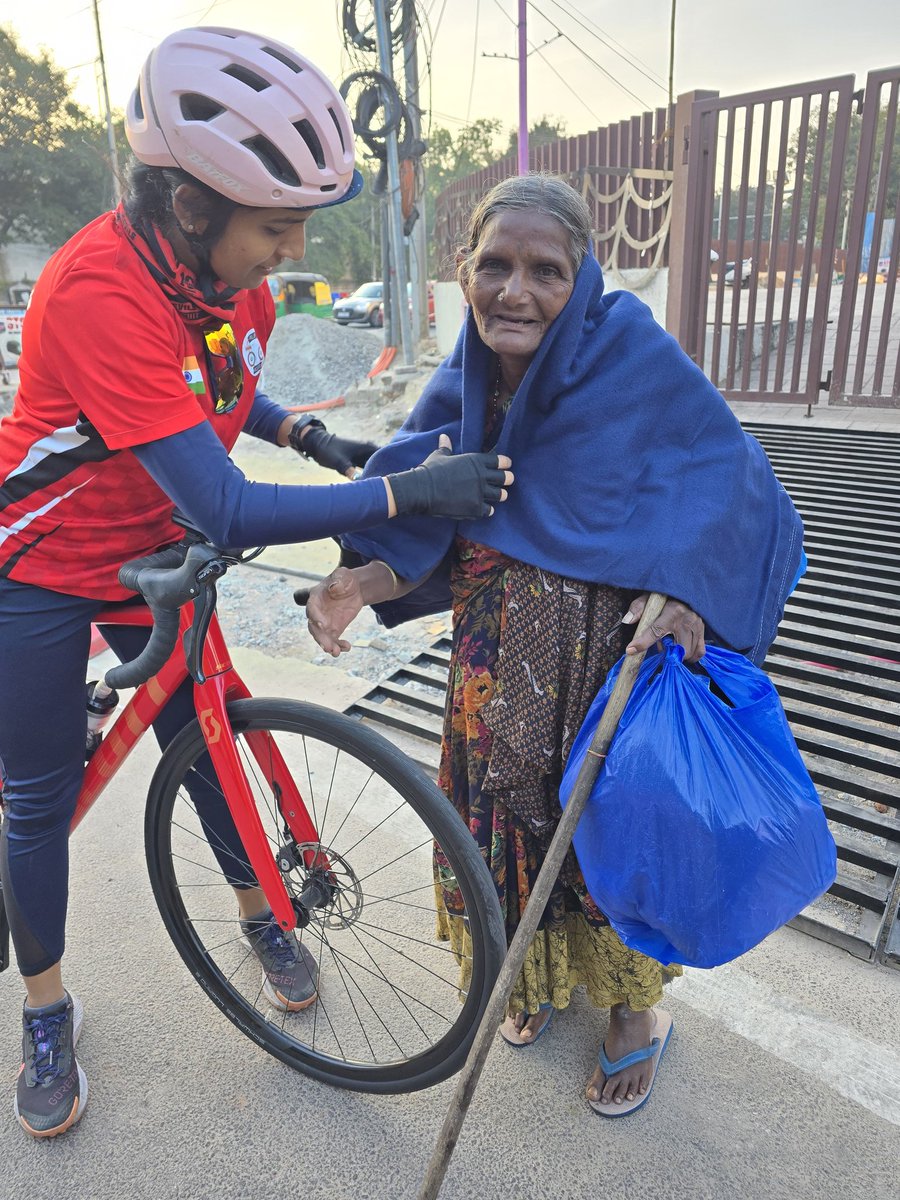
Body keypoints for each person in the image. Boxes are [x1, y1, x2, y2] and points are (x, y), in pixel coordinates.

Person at [0, 25, 513, 1139]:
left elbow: (213, 386)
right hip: (46, 561)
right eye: (277, 227)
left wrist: (305, 433)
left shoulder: (235, 284)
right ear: (190, 208)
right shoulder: (96, 291)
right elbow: (230, 504)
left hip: (159, 546)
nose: (292, 248)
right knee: (39, 797)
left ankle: (260, 910)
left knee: (207, 736)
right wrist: (402, 494)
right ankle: (44, 1009)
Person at [303, 174, 805, 1118]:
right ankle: (525, 978)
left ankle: (629, 1017)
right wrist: (359, 581)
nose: (515, 292)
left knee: (602, 836)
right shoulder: (463, 385)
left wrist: (690, 590)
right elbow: (430, 526)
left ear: (583, 279)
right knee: (503, 835)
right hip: (490, 682)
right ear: (465, 274)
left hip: (599, 676)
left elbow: (737, 488)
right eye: (495, 266)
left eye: (545, 270)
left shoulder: (632, 359)